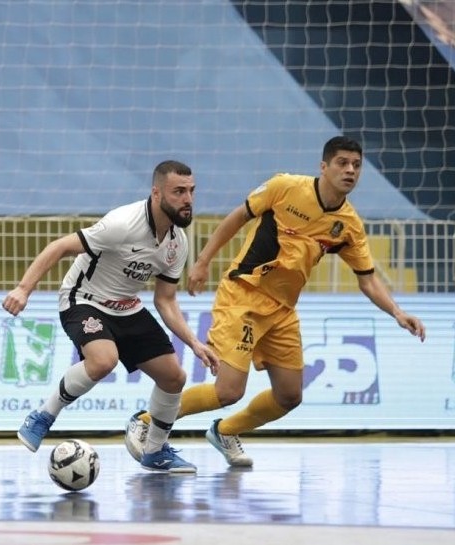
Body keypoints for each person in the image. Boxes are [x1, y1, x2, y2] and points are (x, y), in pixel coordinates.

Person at [124, 136, 426, 467]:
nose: (350, 170)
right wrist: (203, 261)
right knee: (228, 391)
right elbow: (238, 217)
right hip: (244, 296)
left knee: (289, 396)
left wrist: (397, 312)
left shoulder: (348, 226)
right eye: (342, 163)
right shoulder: (285, 187)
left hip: (282, 311)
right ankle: (145, 422)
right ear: (324, 167)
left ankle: (225, 432)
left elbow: (367, 278)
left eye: (356, 165)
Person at [2, 160, 219, 473]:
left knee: (174, 377)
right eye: (179, 192)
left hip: (127, 306)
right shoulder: (123, 223)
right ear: (157, 193)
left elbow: (165, 300)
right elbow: (60, 246)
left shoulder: (177, 243)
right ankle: (43, 416)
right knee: (103, 360)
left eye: (192, 191)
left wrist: (195, 343)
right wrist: (23, 289)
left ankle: (155, 451)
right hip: (83, 299)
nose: (188, 199)